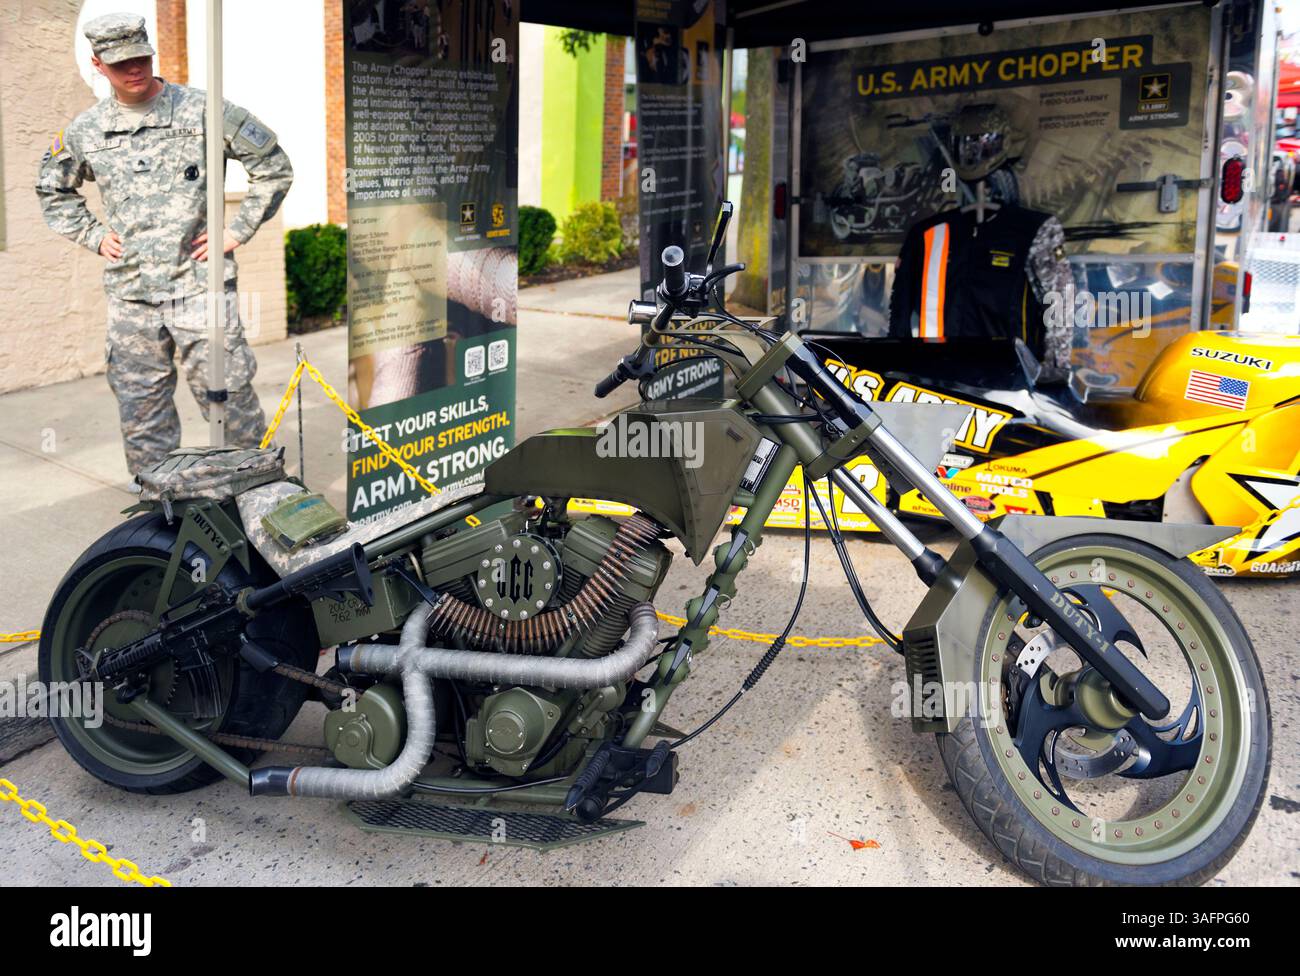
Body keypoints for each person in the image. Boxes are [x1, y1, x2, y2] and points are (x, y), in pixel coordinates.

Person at [36, 13, 293, 477]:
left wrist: (237, 230)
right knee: (141, 411)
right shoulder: (85, 131)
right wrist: (93, 236)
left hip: (200, 289)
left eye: (140, 58)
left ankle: (258, 492)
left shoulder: (205, 110)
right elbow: (53, 189)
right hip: (131, 297)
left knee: (229, 398)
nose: (133, 69)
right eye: (120, 64)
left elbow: (273, 166)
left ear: (150, 53)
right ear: (98, 64)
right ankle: (160, 515)